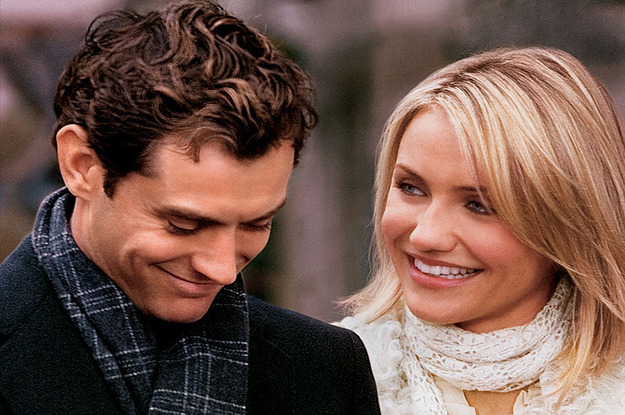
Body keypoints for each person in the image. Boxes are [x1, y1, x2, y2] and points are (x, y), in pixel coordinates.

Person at [0, 2, 381, 414]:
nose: (223, 270)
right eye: (183, 224)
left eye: (257, 224)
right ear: (82, 166)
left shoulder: (325, 368)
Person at [337, 47, 625, 414]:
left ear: (569, 222)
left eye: (479, 206)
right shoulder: (316, 374)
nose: (426, 236)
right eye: (411, 188)